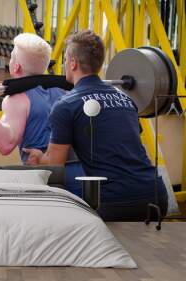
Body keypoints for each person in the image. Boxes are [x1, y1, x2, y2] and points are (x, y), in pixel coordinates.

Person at [24, 30, 168, 221]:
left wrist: (39, 157)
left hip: (114, 201)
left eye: (66, 59)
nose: (65, 64)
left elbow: (54, 165)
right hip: (156, 195)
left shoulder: (66, 105)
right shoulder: (126, 99)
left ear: (74, 63)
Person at [0, 33, 84, 195]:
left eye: (12, 57)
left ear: (16, 67)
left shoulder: (17, 99)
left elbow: (5, 145)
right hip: (77, 175)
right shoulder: (65, 91)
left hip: (42, 180)